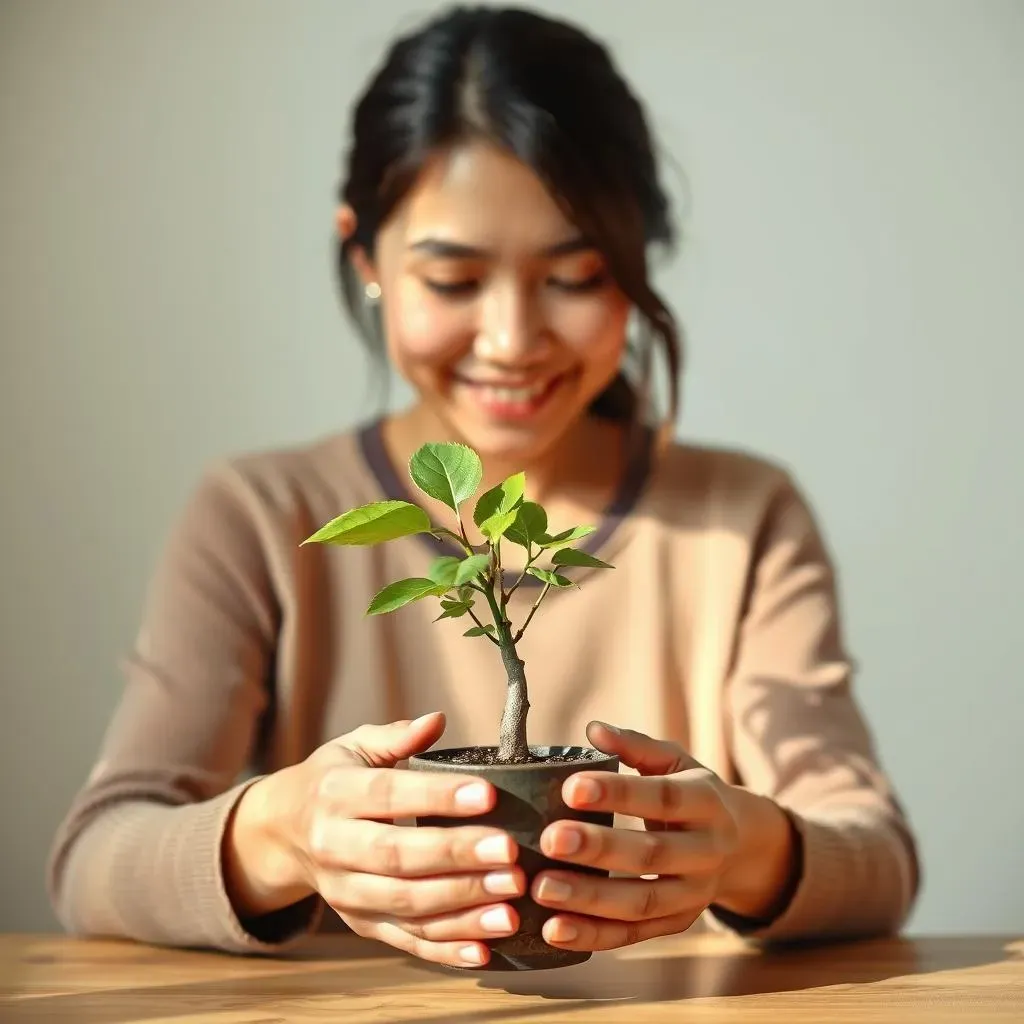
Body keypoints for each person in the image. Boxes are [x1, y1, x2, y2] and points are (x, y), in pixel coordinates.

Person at [47, 4, 919, 969]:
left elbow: (872, 855)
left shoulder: (742, 518)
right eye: (454, 282)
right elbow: (96, 855)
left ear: (634, 265)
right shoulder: (260, 515)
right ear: (365, 256)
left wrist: (745, 850)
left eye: (577, 275)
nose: (511, 340)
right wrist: (283, 832)